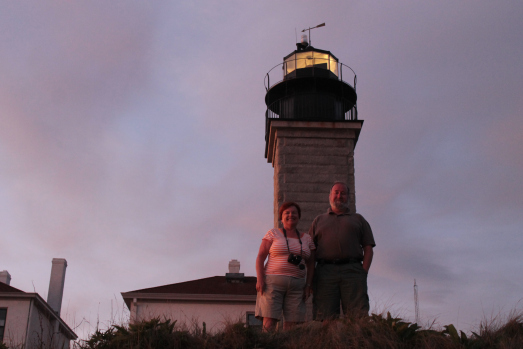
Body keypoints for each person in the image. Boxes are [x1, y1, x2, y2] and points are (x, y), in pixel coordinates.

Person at [309, 182, 375, 320]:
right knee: (325, 317)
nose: (339, 196)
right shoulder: (318, 220)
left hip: (353, 271)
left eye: (343, 193)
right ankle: (329, 342)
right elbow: (311, 251)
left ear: (348, 197)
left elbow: (368, 248)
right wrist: (311, 278)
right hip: (325, 273)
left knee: (357, 316)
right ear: (330, 196)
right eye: (336, 192)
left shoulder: (359, 219)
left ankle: (357, 342)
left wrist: (363, 272)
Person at [255, 202, 316, 331]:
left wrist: (308, 286)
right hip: (272, 283)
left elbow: (311, 263)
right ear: (281, 217)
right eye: (286, 213)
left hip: (297, 285)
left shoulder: (307, 239)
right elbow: (260, 257)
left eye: (294, 213)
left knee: (293, 325)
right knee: (269, 321)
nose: (290, 215)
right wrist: (260, 279)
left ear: (299, 216)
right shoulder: (273, 233)